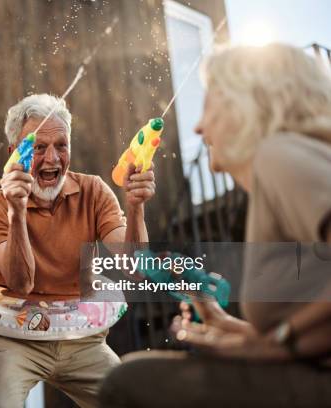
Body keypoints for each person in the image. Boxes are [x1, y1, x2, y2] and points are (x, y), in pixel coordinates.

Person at [99, 44, 331, 407]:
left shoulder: (280, 157)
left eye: (209, 105)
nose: (199, 126)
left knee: (126, 381)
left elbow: (288, 344)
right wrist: (224, 322)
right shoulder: (286, 168)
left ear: (244, 107)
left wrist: (275, 342)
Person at [0, 93, 156, 407]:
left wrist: (136, 206)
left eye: (61, 145)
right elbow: (21, 283)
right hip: (12, 334)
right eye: (39, 147)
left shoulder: (94, 191)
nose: (52, 159)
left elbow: (135, 269)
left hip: (78, 337)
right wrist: (16, 212)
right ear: (13, 155)